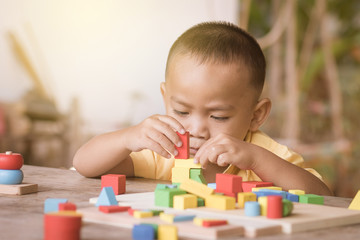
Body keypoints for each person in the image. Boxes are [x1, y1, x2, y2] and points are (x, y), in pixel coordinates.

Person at [73, 21, 333, 196]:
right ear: (165, 99)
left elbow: (323, 196)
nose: (196, 128)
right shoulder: (165, 149)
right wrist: (127, 138)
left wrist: (255, 158)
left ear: (256, 115)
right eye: (182, 112)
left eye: (218, 116)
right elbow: (84, 164)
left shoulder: (265, 154)